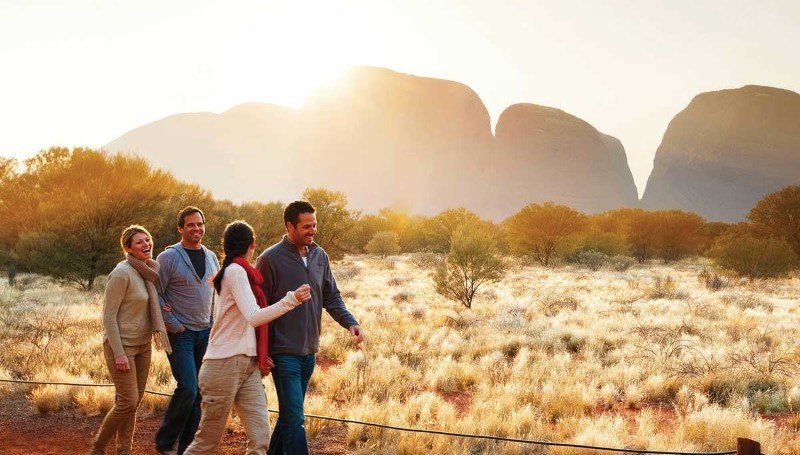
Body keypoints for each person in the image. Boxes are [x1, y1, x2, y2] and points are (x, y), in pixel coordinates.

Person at [184, 221, 311, 454]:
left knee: (260, 438)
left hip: (248, 365)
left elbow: (243, 324)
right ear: (253, 245)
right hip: (223, 365)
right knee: (207, 443)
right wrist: (292, 299)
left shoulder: (239, 272)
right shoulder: (235, 272)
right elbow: (253, 317)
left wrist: (259, 354)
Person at [255, 200, 365, 455]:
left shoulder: (320, 256)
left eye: (314, 225)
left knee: (288, 417)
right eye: (306, 226)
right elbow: (258, 309)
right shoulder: (270, 258)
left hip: (309, 352)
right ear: (289, 226)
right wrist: (262, 351)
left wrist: (351, 323)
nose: (312, 231)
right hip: (282, 353)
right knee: (295, 419)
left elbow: (332, 297)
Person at [90, 225, 171, 455]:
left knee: (132, 403)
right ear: (127, 248)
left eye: (148, 240)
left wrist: (161, 308)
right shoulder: (121, 273)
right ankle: (97, 448)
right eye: (139, 242)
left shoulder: (146, 270)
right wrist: (118, 353)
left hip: (143, 345)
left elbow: (143, 304)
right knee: (127, 401)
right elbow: (108, 315)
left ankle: (124, 450)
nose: (146, 244)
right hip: (122, 345)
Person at [156, 206, 220, 455]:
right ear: (180, 228)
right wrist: (173, 323)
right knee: (188, 387)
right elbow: (156, 293)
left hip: (205, 333)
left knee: (199, 393)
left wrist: (214, 324)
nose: (197, 228)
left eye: (200, 224)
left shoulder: (212, 256)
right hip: (180, 334)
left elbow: (214, 294)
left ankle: (187, 447)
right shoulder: (169, 257)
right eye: (191, 224)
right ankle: (164, 441)